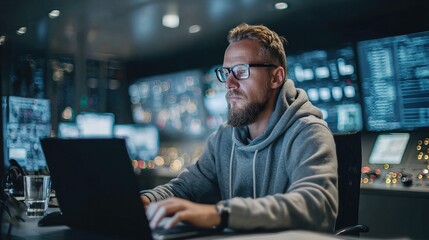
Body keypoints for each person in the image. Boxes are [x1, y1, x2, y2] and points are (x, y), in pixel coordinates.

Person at [141, 23, 338, 233]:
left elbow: (316, 207)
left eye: (241, 71)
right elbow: (184, 188)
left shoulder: (308, 132)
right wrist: (144, 201)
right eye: (226, 72)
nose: (229, 83)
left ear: (276, 77)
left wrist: (220, 214)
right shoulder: (223, 138)